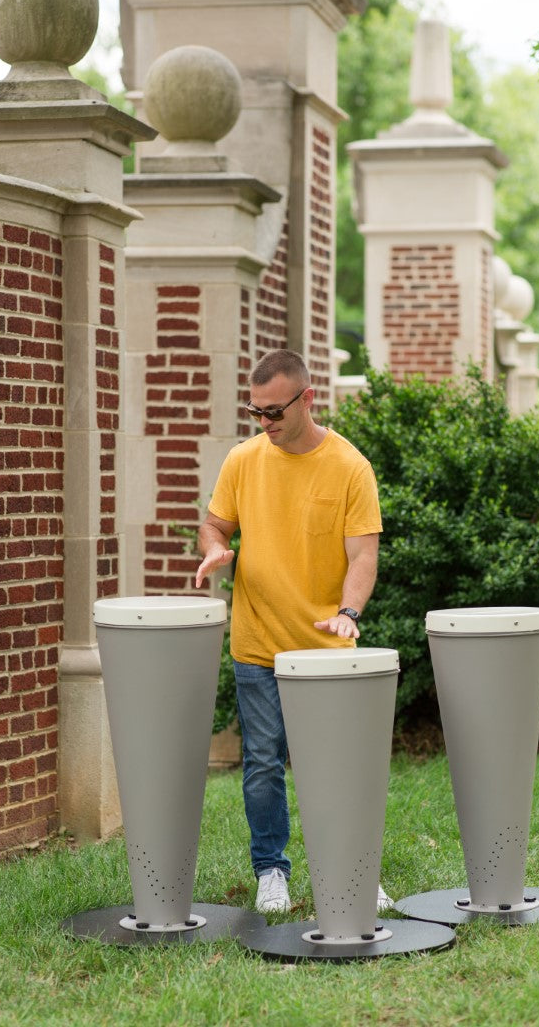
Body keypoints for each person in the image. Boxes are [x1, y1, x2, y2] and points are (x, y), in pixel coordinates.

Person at [195, 349, 392, 914]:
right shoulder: (244, 460)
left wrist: (348, 614)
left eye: (274, 411)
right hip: (258, 643)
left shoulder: (350, 467)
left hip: (326, 650)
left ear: (308, 399)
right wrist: (216, 550)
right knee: (261, 763)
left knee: (336, 764)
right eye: (255, 411)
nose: (265, 423)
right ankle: (271, 873)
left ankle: (355, 871)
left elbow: (362, 558)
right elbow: (213, 524)